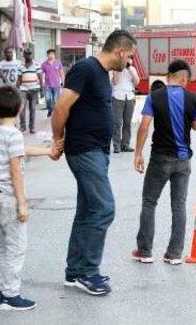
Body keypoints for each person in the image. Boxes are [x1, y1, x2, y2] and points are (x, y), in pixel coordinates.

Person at [51, 29, 135, 296]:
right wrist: (57, 139)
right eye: (129, 55)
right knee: (103, 208)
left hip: (96, 151)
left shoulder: (101, 73)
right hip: (85, 151)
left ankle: (75, 272)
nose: (129, 60)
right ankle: (88, 271)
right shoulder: (86, 68)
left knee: (87, 211)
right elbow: (61, 106)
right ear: (120, 51)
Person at [0, 85, 61, 311]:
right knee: (16, 246)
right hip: (9, 196)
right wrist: (22, 203)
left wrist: (47, 151)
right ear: (20, 108)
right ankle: (10, 295)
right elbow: (15, 170)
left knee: (0, 243)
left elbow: (19, 151)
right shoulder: (15, 135)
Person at [132, 59, 196, 265]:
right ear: (183, 77)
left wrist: (138, 153)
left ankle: (145, 252)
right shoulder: (193, 98)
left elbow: (144, 125)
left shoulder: (154, 96)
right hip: (183, 160)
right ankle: (174, 254)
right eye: (187, 80)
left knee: (149, 202)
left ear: (169, 76)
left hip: (160, 159)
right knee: (179, 205)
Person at [110, 58, 140, 153]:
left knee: (127, 123)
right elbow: (115, 82)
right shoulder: (114, 68)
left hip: (129, 97)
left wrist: (130, 68)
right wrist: (120, 69)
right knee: (117, 123)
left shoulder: (132, 69)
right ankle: (116, 145)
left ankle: (125, 144)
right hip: (117, 97)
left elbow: (136, 82)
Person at [17, 49, 43, 134]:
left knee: (33, 108)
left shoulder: (36, 65)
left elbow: (40, 78)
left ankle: (32, 127)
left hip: (34, 89)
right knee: (22, 108)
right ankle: (23, 126)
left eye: (30, 54)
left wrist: (42, 90)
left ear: (32, 55)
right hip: (23, 89)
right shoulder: (21, 66)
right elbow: (19, 79)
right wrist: (16, 89)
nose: (28, 55)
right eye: (26, 54)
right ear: (23, 55)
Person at [41, 49, 64, 117]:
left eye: (52, 54)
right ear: (47, 55)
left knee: (55, 100)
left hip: (57, 85)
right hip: (47, 85)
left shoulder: (58, 63)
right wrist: (41, 83)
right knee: (48, 100)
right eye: (49, 54)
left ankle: (54, 113)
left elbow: (62, 73)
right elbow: (41, 74)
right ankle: (50, 110)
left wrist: (63, 82)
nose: (51, 55)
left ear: (54, 55)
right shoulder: (44, 64)